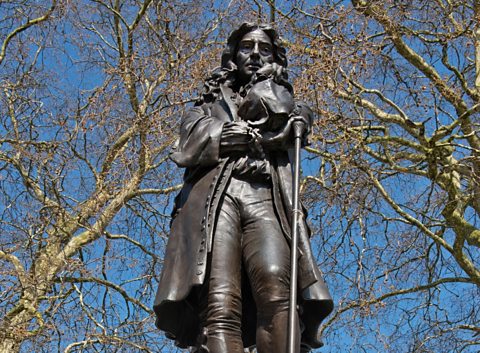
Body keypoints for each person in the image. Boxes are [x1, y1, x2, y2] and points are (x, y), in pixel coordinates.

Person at [153, 23, 333, 353]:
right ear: (232, 57)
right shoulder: (205, 107)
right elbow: (187, 142)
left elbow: (289, 113)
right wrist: (222, 137)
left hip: (266, 195)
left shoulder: (285, 102)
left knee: (277, 283)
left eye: (264, 49)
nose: (254, 53)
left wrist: (271, 84)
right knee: (220, 301)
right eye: (246, 47)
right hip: (217, 200)